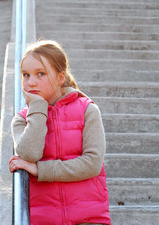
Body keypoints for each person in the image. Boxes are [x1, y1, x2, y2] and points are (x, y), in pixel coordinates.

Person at [8, 40, 111, 225]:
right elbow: (29, 154)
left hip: (89, 218)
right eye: (26, 75)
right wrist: (38, 107)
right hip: (44, 220)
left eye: (41, 74)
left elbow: (92, 164)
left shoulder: (87, 110)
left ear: (60, 77)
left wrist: (41, 170)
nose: (31, 82)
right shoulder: (22, 120)